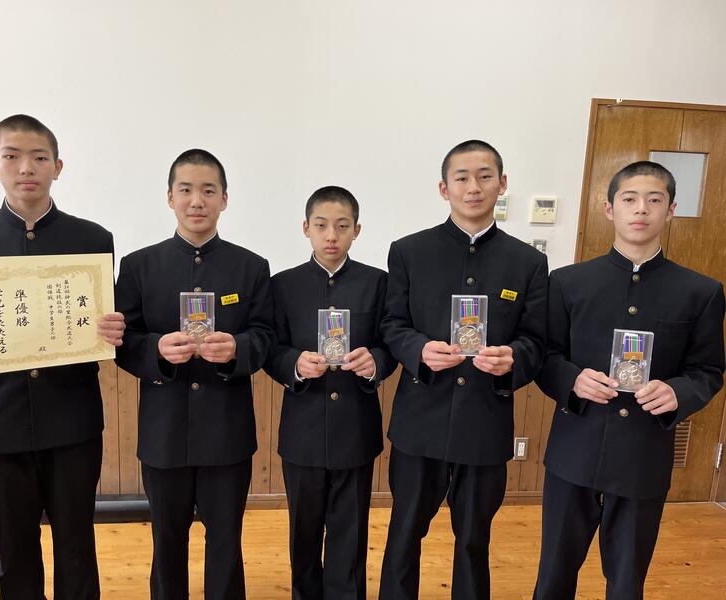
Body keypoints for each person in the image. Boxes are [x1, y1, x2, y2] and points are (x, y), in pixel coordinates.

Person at [0, 114, 125, 599]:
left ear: (58, 166)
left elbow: (104, 321)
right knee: (13, 547)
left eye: (39, 157)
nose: (26, 168)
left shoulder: (92, 239)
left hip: (72, 418)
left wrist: (115, 329)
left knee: (76, 544)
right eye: (11, 156)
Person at [533, 161, 725, 599]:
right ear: (609, 208)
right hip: (574, 452)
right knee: (554, 575)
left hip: (643, 457)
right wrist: (572, 380)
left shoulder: (700, 292)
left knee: (626, 581)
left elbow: (708, 371)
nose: (641, 209)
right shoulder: (568, 282)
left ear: (670, 211)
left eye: (654, 200)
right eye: (630, 199)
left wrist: (677, 391)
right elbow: (545, 357)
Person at [378, 140, 548, 599]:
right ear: (444, 188)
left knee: (474, 540)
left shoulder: (528, 262)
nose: (474, 187)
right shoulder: (409, 251)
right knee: (404, 533)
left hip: (485, 422)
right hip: (420, 421)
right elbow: (392, 324)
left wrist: (513, 358)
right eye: (462, 178)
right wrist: (419, 350)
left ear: (502, 184)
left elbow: (536, 341)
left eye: (485, 176)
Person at [115, 148, 274, 600]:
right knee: (167, 542)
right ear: (170, 198)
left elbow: (266, 336)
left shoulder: (251, 266)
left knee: (226, 542)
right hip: (164, 433)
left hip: (227, 432)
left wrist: (237, 349)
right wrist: (157, 350)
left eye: (208, 190)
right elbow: (124, 342)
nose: (197, 201)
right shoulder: (139, 266)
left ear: (225, 199)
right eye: (185, 190)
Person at [265, 185, 396, 599]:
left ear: (357, 230)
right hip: (302, 431)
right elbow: (271, 348)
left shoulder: (378, 283)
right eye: (321, 226)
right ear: (306, 228)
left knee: (350, 534)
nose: (331, 236)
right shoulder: (282, 285)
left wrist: (376, 362)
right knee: (303, 534)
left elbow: (390, 343)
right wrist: (294, 364)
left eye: (342, 226)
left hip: (356, 427)